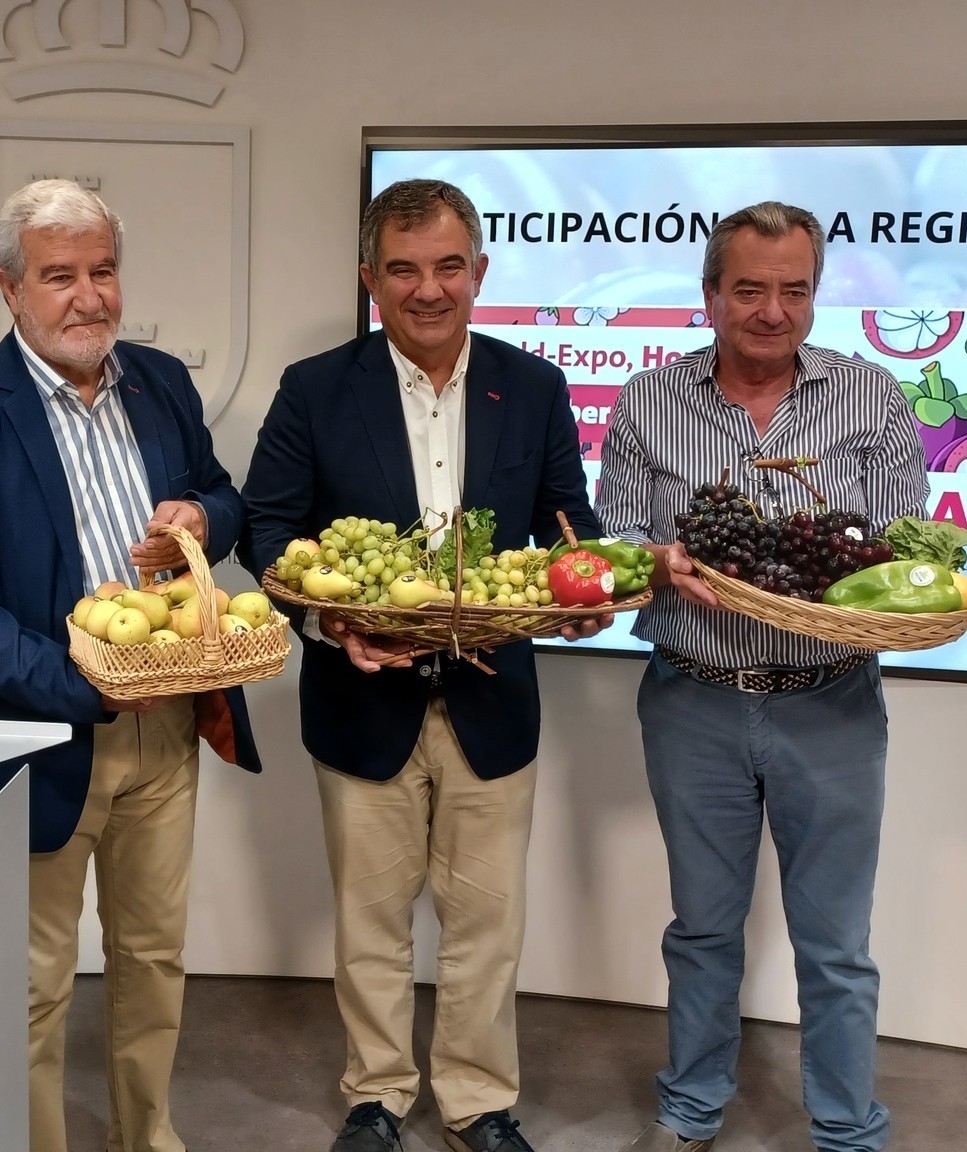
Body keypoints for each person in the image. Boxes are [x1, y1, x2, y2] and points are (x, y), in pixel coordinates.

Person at [241, 178, 608, 1152]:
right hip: (361, 701)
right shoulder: (314, 388)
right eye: (402, 269)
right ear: (371, 278)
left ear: (478, 272)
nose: (428, 289)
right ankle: (375, 1096)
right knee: (370, 922)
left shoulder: (530, 386)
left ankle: (479, 1104)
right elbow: (269, 531)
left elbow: (570, 523)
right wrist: (325, 623)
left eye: (448, 266)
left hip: (496, 706)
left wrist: (581, 592)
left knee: (486, 926)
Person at [0, 179, 261, 1152]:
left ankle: (149, 1137)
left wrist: (201, 518)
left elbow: (225, 499)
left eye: (102, 271)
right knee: (32, 985)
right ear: (9, 289)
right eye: (59, 276)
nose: (88, 296)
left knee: (152, 959)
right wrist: (82, 682)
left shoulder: (160, 382)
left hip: (170, 727)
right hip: (37, 739)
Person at [595, 202, 928, 1152]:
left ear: (815, 295)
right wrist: (653, 561)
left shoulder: (873, 399)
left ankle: (844, 1126)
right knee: (701, 929)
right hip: (691, 699)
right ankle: (692, 1106)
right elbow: (618, 544)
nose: (772, 311)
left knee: (836, 948)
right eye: (750, 289)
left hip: (832, 706)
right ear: (711, 296)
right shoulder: (647, 403)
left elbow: (905, 552)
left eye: (793, 290)